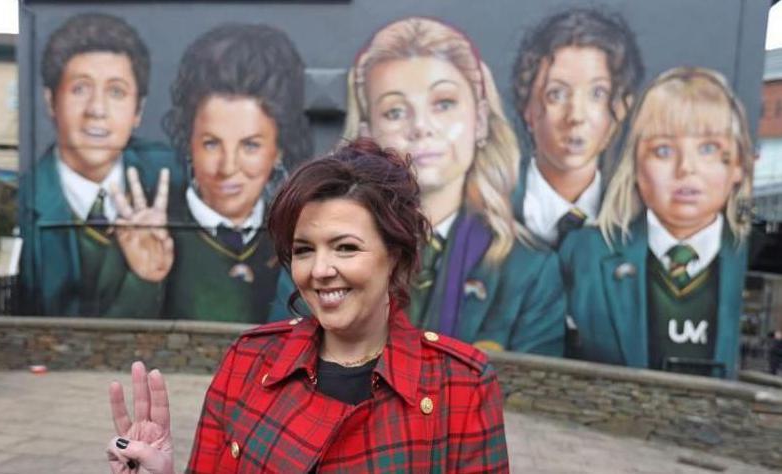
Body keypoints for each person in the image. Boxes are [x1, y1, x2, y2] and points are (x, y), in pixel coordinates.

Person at [105, 139, 509, 473]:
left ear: (396, 257)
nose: (319, 270)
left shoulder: (462, 386)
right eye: (303, 250)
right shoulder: (247, 362)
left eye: (346, 248)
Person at [274, 16, 564, 356]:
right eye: (395, 111)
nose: (421, 127)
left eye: (443, 104)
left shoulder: (531, 271)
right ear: (367, 132)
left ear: (481, 120)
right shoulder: (315, 255)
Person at [559, 67, 754, 378]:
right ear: (635, 165)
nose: (686, 168)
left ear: (740, 166)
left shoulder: (747, 257)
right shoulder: (585, 254)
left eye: (708, 149)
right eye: (663, 150)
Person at [116, 24, 311, 322]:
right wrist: (143, 280)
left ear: (279, 150)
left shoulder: (295, 235)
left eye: (250, 145)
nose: (227, 168)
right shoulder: (142, 233)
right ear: (188, 142)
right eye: (211, 144)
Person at [18, 13, 184, 317]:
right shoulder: (22, 200)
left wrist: (147, 276)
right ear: (50, 100)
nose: (97, 110)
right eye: (80, 88)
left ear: (138, 110)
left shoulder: (178, 175)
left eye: (116, 91)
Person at [510, 8, 644, 248]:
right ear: (526, 107)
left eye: (597, 93)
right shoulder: (488, 208)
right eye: (556, 94)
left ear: (622, 107)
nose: (576, 116)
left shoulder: (637, 220)